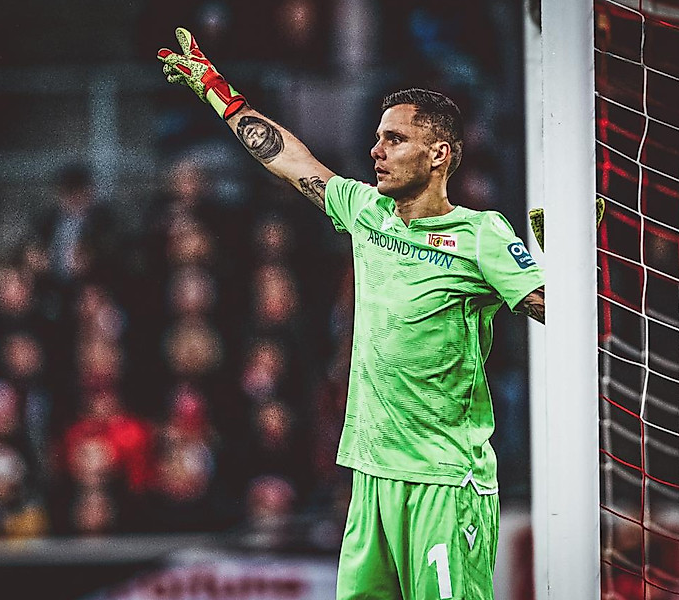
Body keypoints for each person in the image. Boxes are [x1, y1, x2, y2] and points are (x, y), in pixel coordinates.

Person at [159, 27, 545, 600]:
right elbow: (291, 160)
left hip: (444, 480)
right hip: (370, 476)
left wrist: (574, 265)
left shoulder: (481, 234)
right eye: (377, 138)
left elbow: (551, 308)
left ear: (439, 155)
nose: (376, 151)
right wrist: (220, 93)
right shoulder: (366, 212)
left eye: (394, 139)